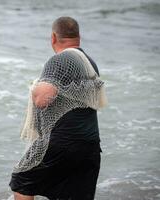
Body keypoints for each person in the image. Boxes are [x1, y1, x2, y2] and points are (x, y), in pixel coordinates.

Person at [9, 16, 105, 200]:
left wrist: (35, 88)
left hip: (61, 143)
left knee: (21, 183)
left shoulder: (60, 60)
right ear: (79, 36)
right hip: (89, 146)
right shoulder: (90, 63)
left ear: (53, 37)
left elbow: (43, 99)